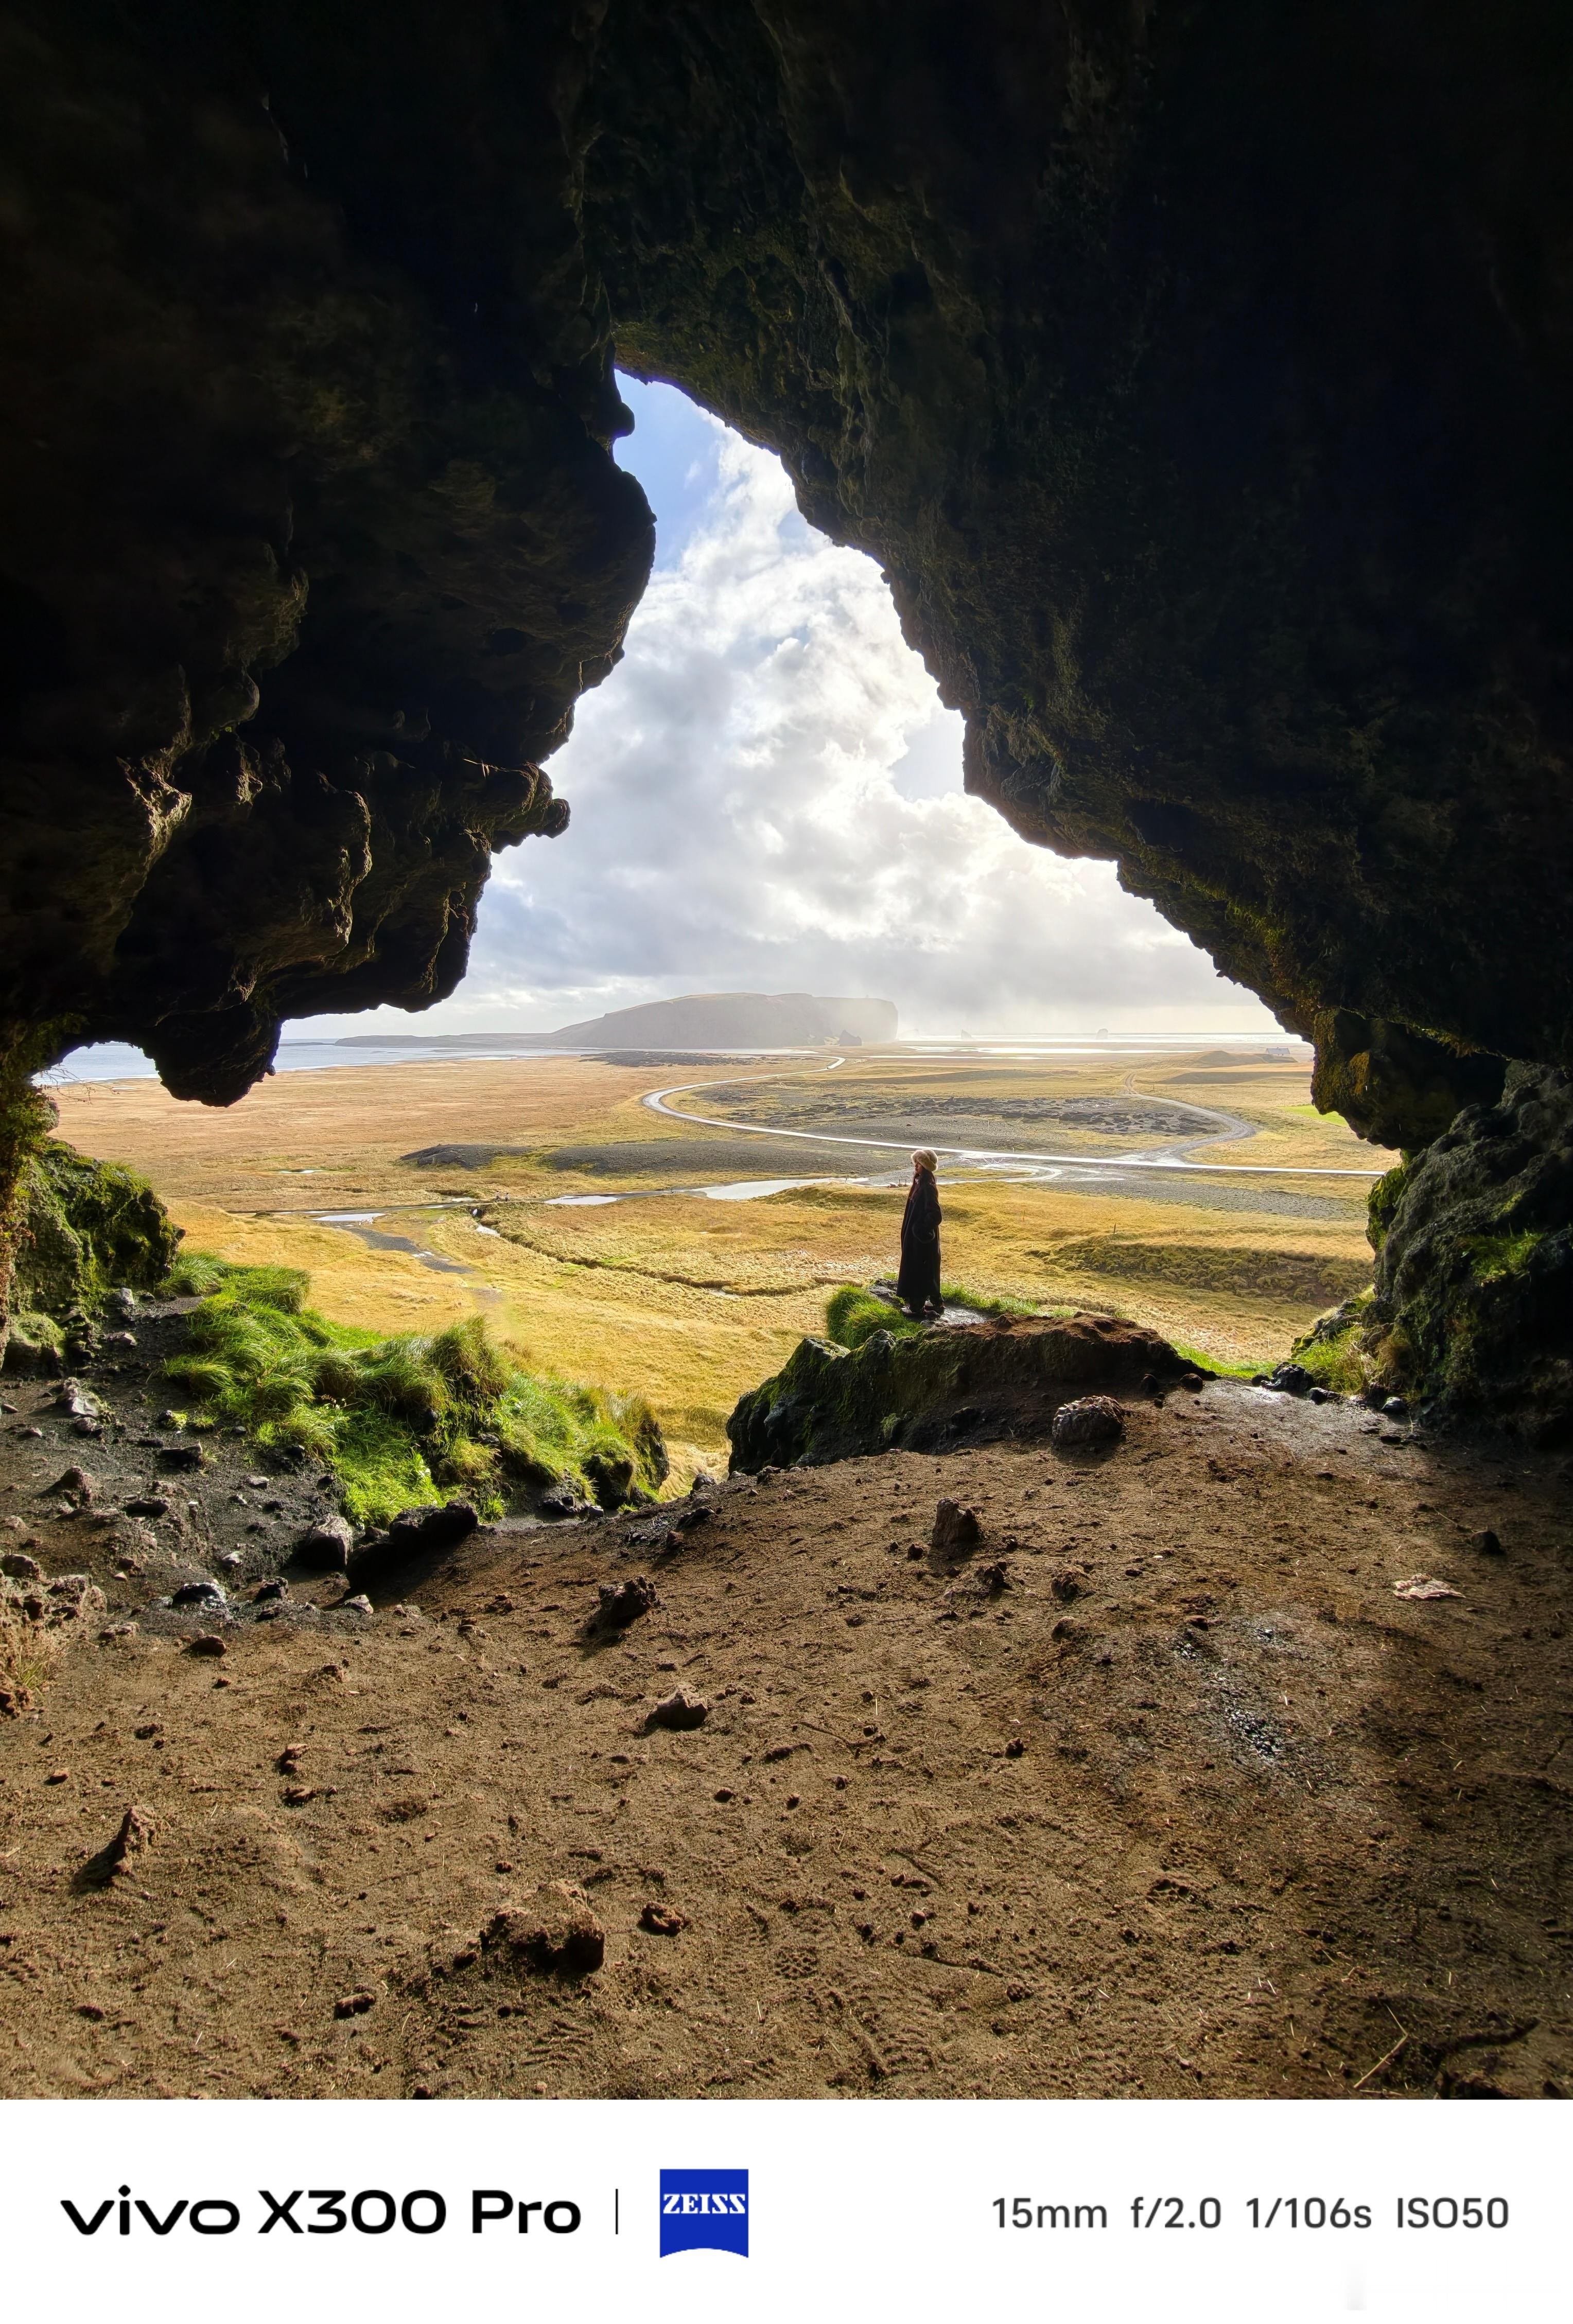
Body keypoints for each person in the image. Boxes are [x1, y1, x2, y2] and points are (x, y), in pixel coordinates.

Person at [897, 1148, 942, 1319]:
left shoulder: (927, 1186)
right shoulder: (921, 1182)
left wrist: (920, 1231)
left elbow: (935, 1215)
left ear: (926, 1166)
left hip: (922, 1240)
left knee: (918, 1269)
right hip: (921, 1238)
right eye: (915, 1162)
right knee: (929, 1269)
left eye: (920, 1163)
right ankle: (936, 1302)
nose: (916, 1165)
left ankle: (916, 1308)